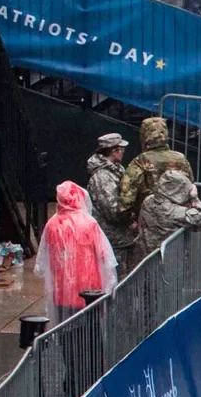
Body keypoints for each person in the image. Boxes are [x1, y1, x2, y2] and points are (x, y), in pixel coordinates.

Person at [36, 181, 119, 316]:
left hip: (61, 290)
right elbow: (105, 255)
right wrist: (110, 281)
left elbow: (43, 258)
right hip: (89, 290)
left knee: (64, 326)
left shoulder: (52, 224)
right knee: (88, 328)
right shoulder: (89, 223)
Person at [85, 131, 136, 263]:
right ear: (113, 151)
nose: (123, 152)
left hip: (121, 237)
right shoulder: (102, 177)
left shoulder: (117, 170)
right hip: (112, 238)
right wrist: (130, 219)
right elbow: (112, 210)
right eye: (121, 149)